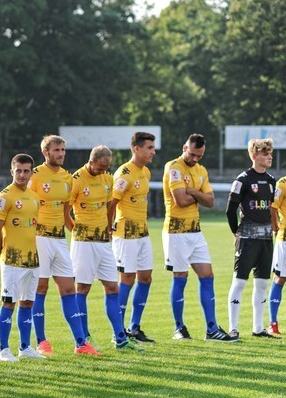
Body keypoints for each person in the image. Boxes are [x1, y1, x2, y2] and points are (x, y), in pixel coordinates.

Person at [28, 135, 100, 356]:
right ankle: (41, 341)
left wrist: (77, 231)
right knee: (40, 288)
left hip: (59, 240)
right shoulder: (36, 176)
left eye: (63, 150)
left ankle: (81, 344)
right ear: (46, 153)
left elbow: (66, 212)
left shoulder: (68, 178)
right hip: (39, 238)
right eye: (57, 150)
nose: (61, 154)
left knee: (69, 289)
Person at [162, 133, 235, 342]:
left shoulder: (202, 170)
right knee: (180, 278)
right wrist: (197, 195)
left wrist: (192, 191)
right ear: (184, 147)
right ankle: (179, 328)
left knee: (207, 276)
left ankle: (212, 329)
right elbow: (180, 200)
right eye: (193, 154)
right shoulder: (173, 167)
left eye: (199, 156)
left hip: (196, 232)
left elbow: (211, 201)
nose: (195, 159)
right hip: (176, 232)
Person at [70, 146, 140, 351]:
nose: (103, 171)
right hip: (83, 242)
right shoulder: (76, 179)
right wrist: (76, 231)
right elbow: (66, 211)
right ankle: (83, 338)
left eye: (107, 167)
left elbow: (110, 207)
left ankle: (120, 338)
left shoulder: (108, 179)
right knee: (82, 288)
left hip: (103, 242)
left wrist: (109, 227)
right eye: (101, 167)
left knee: (112, 287)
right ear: (91, 162)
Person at [0, 154, 46, 361]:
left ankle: (25, 347)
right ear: (11, 171)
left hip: (32, 260)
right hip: (12, 261)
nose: (22, 175)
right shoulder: (4, 197)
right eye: (18, 170)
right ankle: (3, 350)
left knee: (27, 303)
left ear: (32, 172)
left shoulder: (33, 196)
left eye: (26, 171)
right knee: (8, 303)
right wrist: (3, 256)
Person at [226, 138, 278, 339]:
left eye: (270, 153)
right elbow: (230, 211)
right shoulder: (242, 180)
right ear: (254, 155)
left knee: (263, 283)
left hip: (266, 240)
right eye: (265, 154)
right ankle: (233, 328)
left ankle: (258, 328)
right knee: (239, 282)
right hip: (247, 239)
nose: (269, 157)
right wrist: (236, 233)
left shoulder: (272, 181)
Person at [109, 132, 157, 343]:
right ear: (136, 149)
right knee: (127, 278)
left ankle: (134, 327)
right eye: (149, 148)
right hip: (125, 234)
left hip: (142, 233)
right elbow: (112, 203)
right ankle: (117, 331)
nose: (153, 152)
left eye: (153, 148)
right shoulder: (124, 173)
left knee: (145, 277)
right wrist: (108, 227)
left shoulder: (145, 172)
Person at [269, 172, 286, 335]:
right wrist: (275, 228)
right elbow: (272, 208)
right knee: (280, 278)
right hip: (285, 238)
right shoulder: (282, 183)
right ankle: (273, 323)